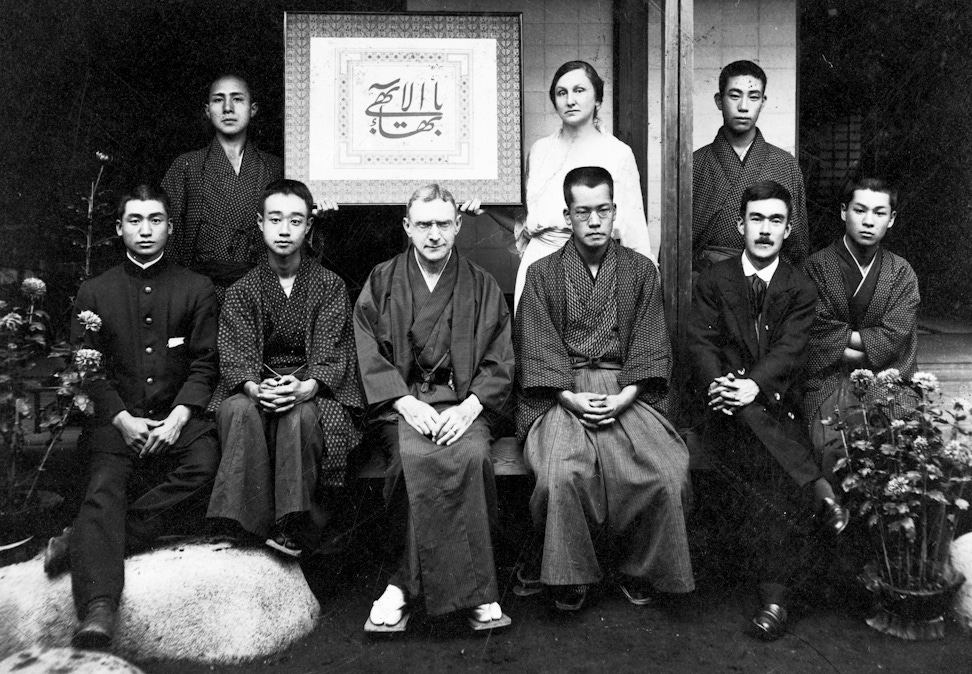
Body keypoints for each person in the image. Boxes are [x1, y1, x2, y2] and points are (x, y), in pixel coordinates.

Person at [43, 185, 220, 649]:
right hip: (117, 423)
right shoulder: (94, 291)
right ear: (119, 227)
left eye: (156, 219)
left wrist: (180, 418)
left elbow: (205, 363)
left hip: (176, 420)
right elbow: (89, 369)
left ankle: (84, 541)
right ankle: (98, 610)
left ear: (170, 227)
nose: (146, 229)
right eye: (136, 220)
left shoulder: (195, 288)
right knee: (103, 486)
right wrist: (120, 417)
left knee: (207, 465)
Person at [515, 166, 694, 612]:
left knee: (666, 471)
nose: (594, 222)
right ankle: (568, 576)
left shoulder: (639, 271)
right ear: (567, 215)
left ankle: (641, 567)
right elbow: (535, 347)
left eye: (602, 211)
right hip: (561, 389)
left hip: (628, 387)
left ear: (615, 211)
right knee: (561, 473)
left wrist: (623, 397)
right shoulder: (541, 273)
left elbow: (652, 343)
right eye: (583, 212)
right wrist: (570, 398)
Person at [686, 180, 848, 641]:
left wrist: (752, 387)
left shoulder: (799, 287)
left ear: (788, 229)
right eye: (756, 218)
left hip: (773, 410)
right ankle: (817, 488)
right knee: (777, 457)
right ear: (740, 224)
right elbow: (701, 342)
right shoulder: (714, 280)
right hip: (721, 409)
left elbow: (791, 351)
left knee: (769, 471)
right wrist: (725, 386)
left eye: (775, 220)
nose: (764, 229)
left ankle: (774, 599)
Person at [353, 184, 515, 632]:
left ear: (459, 225)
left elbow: (501, 357)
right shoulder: (382, 280)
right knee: (410, 461)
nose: (434, 234)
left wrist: (471, 408)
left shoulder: (481, 284)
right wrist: (404, 402)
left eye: (444, 223)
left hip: (464, 405)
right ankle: (420, 587)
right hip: (402, 404)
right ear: (406, 227)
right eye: (423, 224)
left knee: (472, 456)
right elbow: (367, 350)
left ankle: (415, 588)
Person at [206, 179, 363, 558]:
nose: (284, 229)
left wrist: (306, 386)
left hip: (312, 388)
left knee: (299, 418)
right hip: (255, 387)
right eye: (275, 219)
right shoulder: (243, 290)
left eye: (295, 221)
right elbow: (235, 352)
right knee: (237, 411)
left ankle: (294, 525)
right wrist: (252, 388)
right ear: (260, 223)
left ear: (309, 226)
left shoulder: (329, 286)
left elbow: (332, 349)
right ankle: (245, 524)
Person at [462, 60, 653, 312]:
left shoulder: (618, 153)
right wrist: (488, 208)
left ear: (598, 99)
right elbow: (529, 225)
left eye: (579, 90)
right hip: (540, 265)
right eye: (562, 93)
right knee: (537, 345)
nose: (570, 100)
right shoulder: (540, 151)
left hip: (597, 268)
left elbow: (634, 231)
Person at [803, 178, 919, 474]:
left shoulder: (901, 272)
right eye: (860, 210)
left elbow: (895, 336)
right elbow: (815, 331)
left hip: (886, 379)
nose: (868, 221)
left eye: (879, 213)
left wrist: (844, 342)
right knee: (831, 443)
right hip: (828, 380)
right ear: (844, 212)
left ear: (891, 219)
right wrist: (868, 344)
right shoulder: (815, 266)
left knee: (898, 442)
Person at [161, 74, 283, 300]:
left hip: (260, 293)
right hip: (198, 294)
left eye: (237, 99)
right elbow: (167, 235)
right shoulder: (187, 165)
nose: (228, 108)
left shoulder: (275, 168)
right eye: (218, 100)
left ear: (253, 109)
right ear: (207, 110)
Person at [693, 60, 809, 271]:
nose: (743, 107)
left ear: (763, 102)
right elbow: (677, 245)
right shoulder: (694, 164)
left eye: (753, 97)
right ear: (719, 101)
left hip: (769, 282)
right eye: (734, 96)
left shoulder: (785, 164)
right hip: (706, 285)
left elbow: (797, 247)